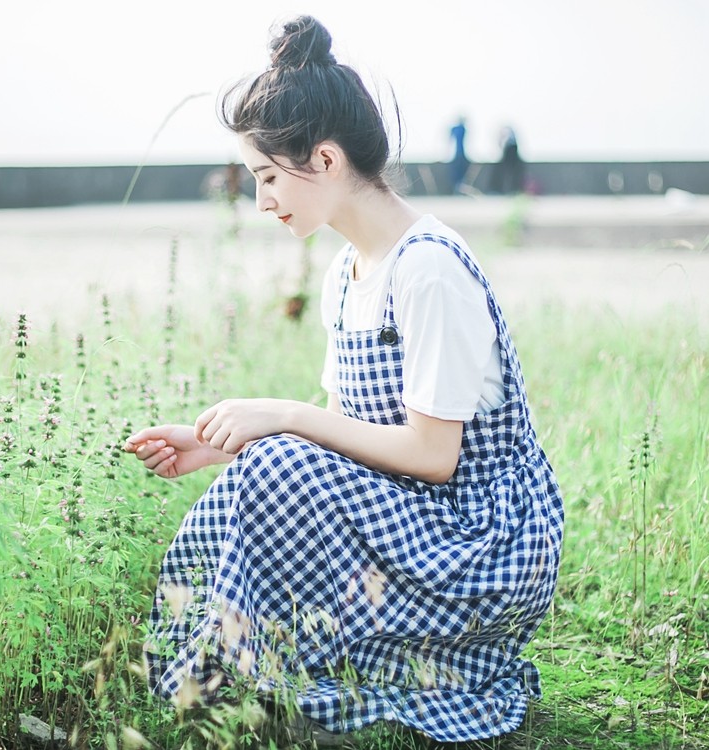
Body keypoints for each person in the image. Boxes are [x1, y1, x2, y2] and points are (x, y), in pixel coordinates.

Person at [124, 15, 563, 744]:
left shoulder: (428, 269)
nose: (262, 199)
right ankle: (237, 668)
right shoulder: (346, 275)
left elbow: (432, 456)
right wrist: (216, 447)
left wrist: (283, 415)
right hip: (412, 520)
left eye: (268, 176)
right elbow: (341, 451)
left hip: (480, 540)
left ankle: (251, 672)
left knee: (281, 456)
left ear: (324, 160)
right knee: (269, 467)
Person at [491, 125, 526, 195]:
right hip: (510, 154)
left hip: (510, 154)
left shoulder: (507, 135)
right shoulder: (510, 135)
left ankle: (513, 189)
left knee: (512, 173)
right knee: (510, 173)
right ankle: (511, 189)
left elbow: (500, 143)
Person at [449, 117, 470, 193]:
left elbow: (450, 139)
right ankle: (459, 187)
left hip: (459, 154)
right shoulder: (462, 128)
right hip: (459, 154)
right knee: (459, 172)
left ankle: (458, 187)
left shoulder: (456, 128)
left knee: (458, 172)